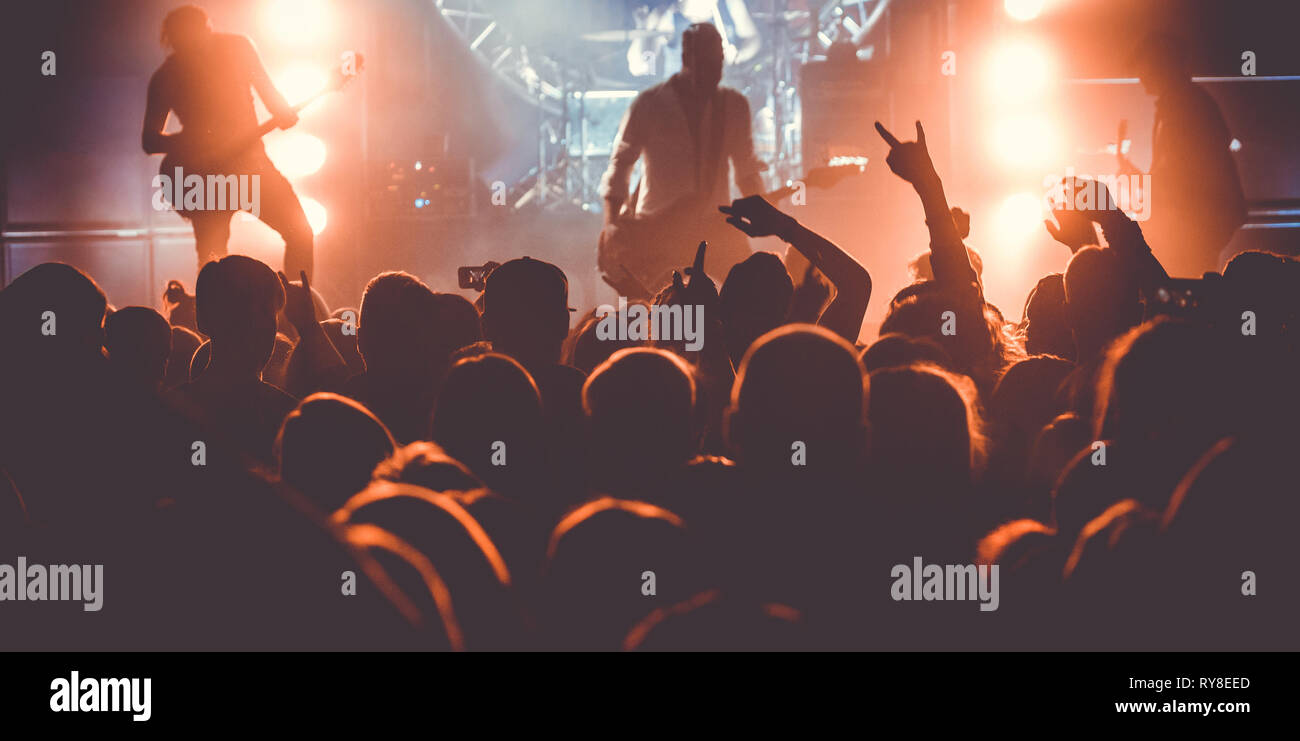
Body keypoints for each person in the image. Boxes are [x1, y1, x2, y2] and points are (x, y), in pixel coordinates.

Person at [141, 4, 314, 279]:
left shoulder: (236, 49)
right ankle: (294, 312)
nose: (193, 48)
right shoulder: (167, 76)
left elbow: (271, 98)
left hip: (246, 167)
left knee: (299, 234)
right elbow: (149, 141)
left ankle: (297, 309)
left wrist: (283, 113)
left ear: (206, 30)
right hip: (215, 174)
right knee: (214, 257)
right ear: (173, 42)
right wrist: (197, 141)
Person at [601, 22, 766, 286]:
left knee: (753, 289)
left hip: (713, 224)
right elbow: (621, 165)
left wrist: (764, 208)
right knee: (656, 313)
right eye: (709, 61)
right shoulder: (650, 103)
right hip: (656, 228)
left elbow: (746, 168)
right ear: (687, 58)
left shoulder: (734, 105)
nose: (716, 70)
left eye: (719, 61)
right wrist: (612, 228)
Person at [1121, 33, 1246, 277]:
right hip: (1194, 225)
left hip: (1192, 227)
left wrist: (1138, 179)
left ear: (1160, 65)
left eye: (1144, 67)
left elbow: (1182, 176)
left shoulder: (1184, 107)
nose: (1140, 76)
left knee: (1188, 287)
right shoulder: (1186, 103)